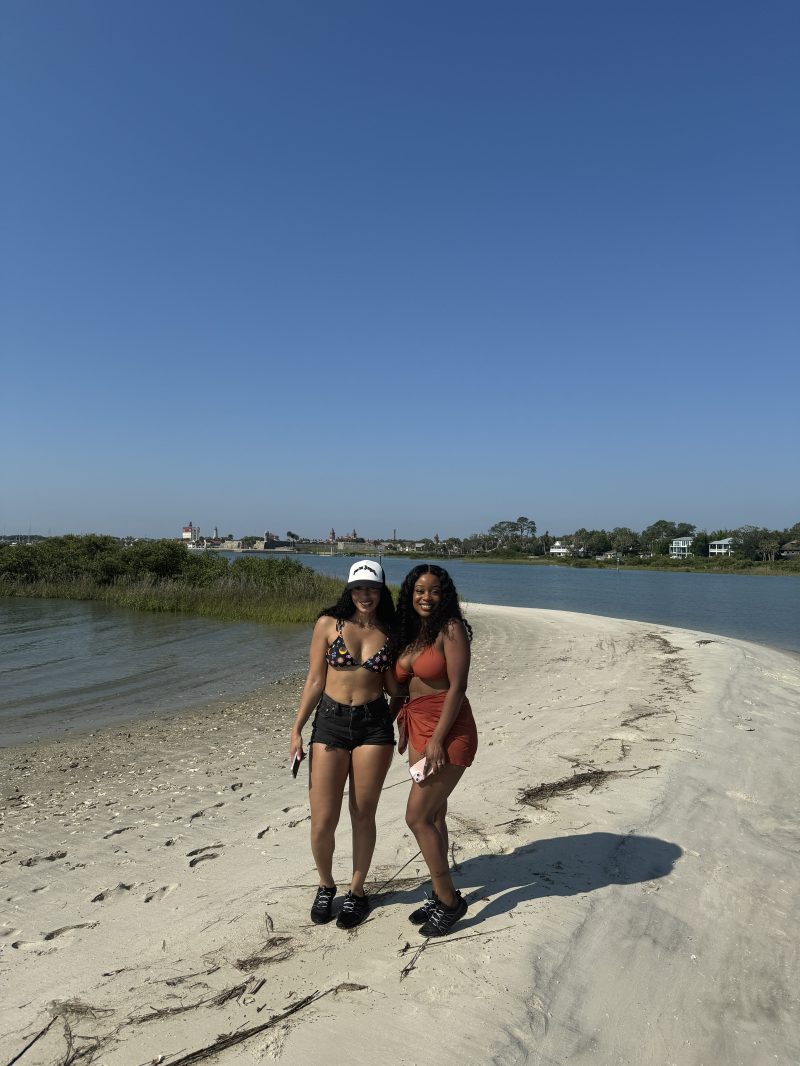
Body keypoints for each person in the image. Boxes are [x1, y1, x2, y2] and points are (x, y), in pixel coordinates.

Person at [290, 559, 396, 930]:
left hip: (374, 726)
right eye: (358, 588)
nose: (365, 595)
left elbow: (396, 686)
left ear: (381, 591)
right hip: (331, 724)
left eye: (372, 589)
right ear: (349, 590)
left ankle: (356, 891)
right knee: (322, 820)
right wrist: (297, 729)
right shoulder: (327, 624)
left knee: (362, 814)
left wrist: (402, 717)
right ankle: (325, 885)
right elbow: (316, 679)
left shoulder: (392, 630)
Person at [392, 564, 477, 937]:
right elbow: (402, 689)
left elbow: (457, 688)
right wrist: (399, 724)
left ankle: (450, 902)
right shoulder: (411, 634)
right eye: (420, 591)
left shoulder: (451, 629)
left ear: (445, 595)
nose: (427, 597)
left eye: (435, 591)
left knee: (417, 817)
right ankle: (440, 890)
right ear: (410, 594)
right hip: (417, 729)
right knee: (436, 816)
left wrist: (438, 739)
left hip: (448, 730)